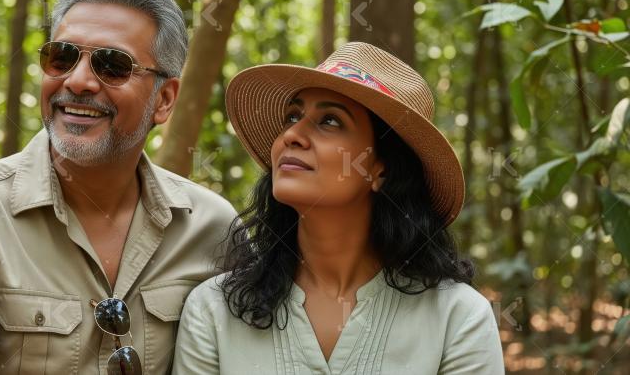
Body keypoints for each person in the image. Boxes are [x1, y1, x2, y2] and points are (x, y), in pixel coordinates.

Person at [0, 0, 236, 375]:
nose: (79, 80)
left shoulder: (211, 228)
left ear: (164, 100)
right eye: (61, 57)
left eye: (112, 65)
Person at [173, 42, 505, 374]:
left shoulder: (456, 318)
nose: (292, 134)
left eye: (330, 121)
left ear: (381, 169)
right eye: (292, 116)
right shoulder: (213, 311)